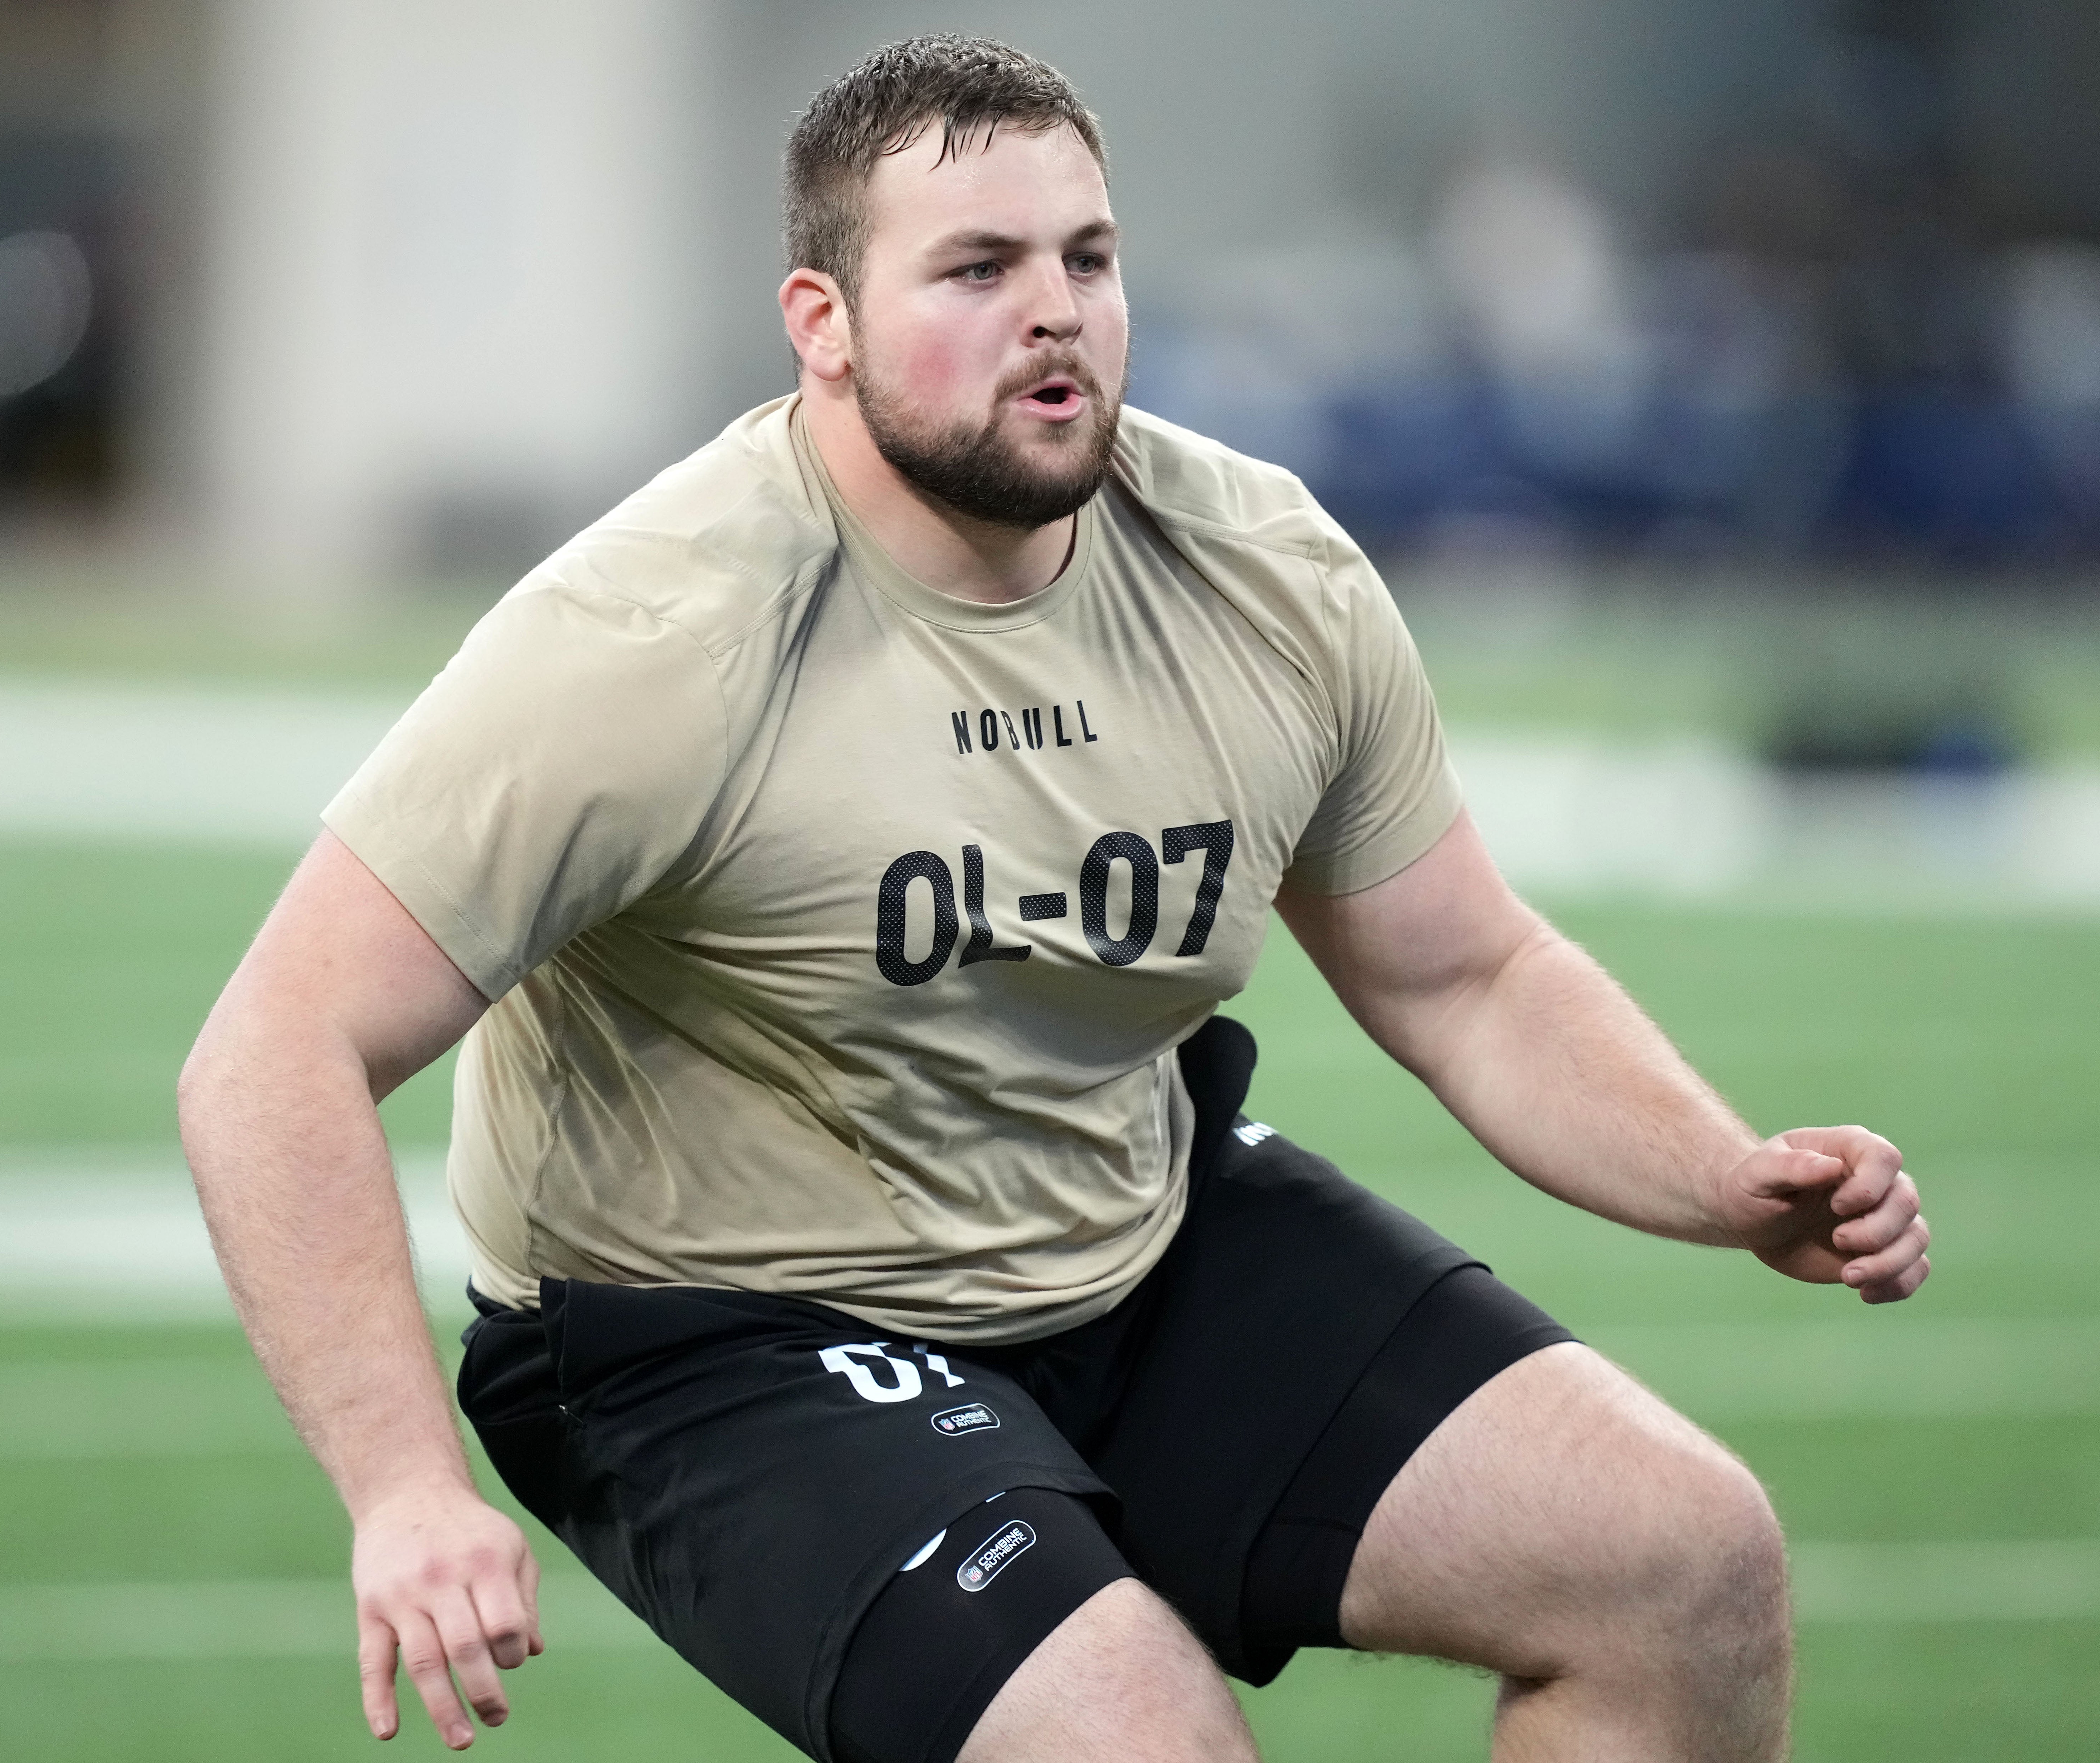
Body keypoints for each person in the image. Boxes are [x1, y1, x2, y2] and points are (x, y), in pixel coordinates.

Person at [179, 34, 1929, 1763]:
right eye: (977, 267)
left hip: (1124, 1231)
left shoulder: (1263, 570)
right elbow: (273, 1053)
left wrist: (1716, 1172)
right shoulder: (652, 641)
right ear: (822, 326)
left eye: (1086, 258)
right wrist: (403, 1490)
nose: (1056, 311)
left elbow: (1460, 971)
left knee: (1679, 1567)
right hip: (720, 1329)